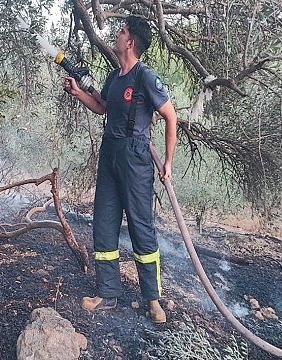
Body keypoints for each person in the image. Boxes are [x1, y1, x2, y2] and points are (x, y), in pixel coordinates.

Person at [64, 15, 177, 323]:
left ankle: (153, 300)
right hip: (110, 156)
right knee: (104, 222)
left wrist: (167, 162)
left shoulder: (145, 78)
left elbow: (171, 117)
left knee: (141, 228)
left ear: (130, 42)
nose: (116, 34)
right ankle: (107, 293)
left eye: (121, 31)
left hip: (136, 159)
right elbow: (102, 107)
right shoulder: (114, 78)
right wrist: (78, 93)